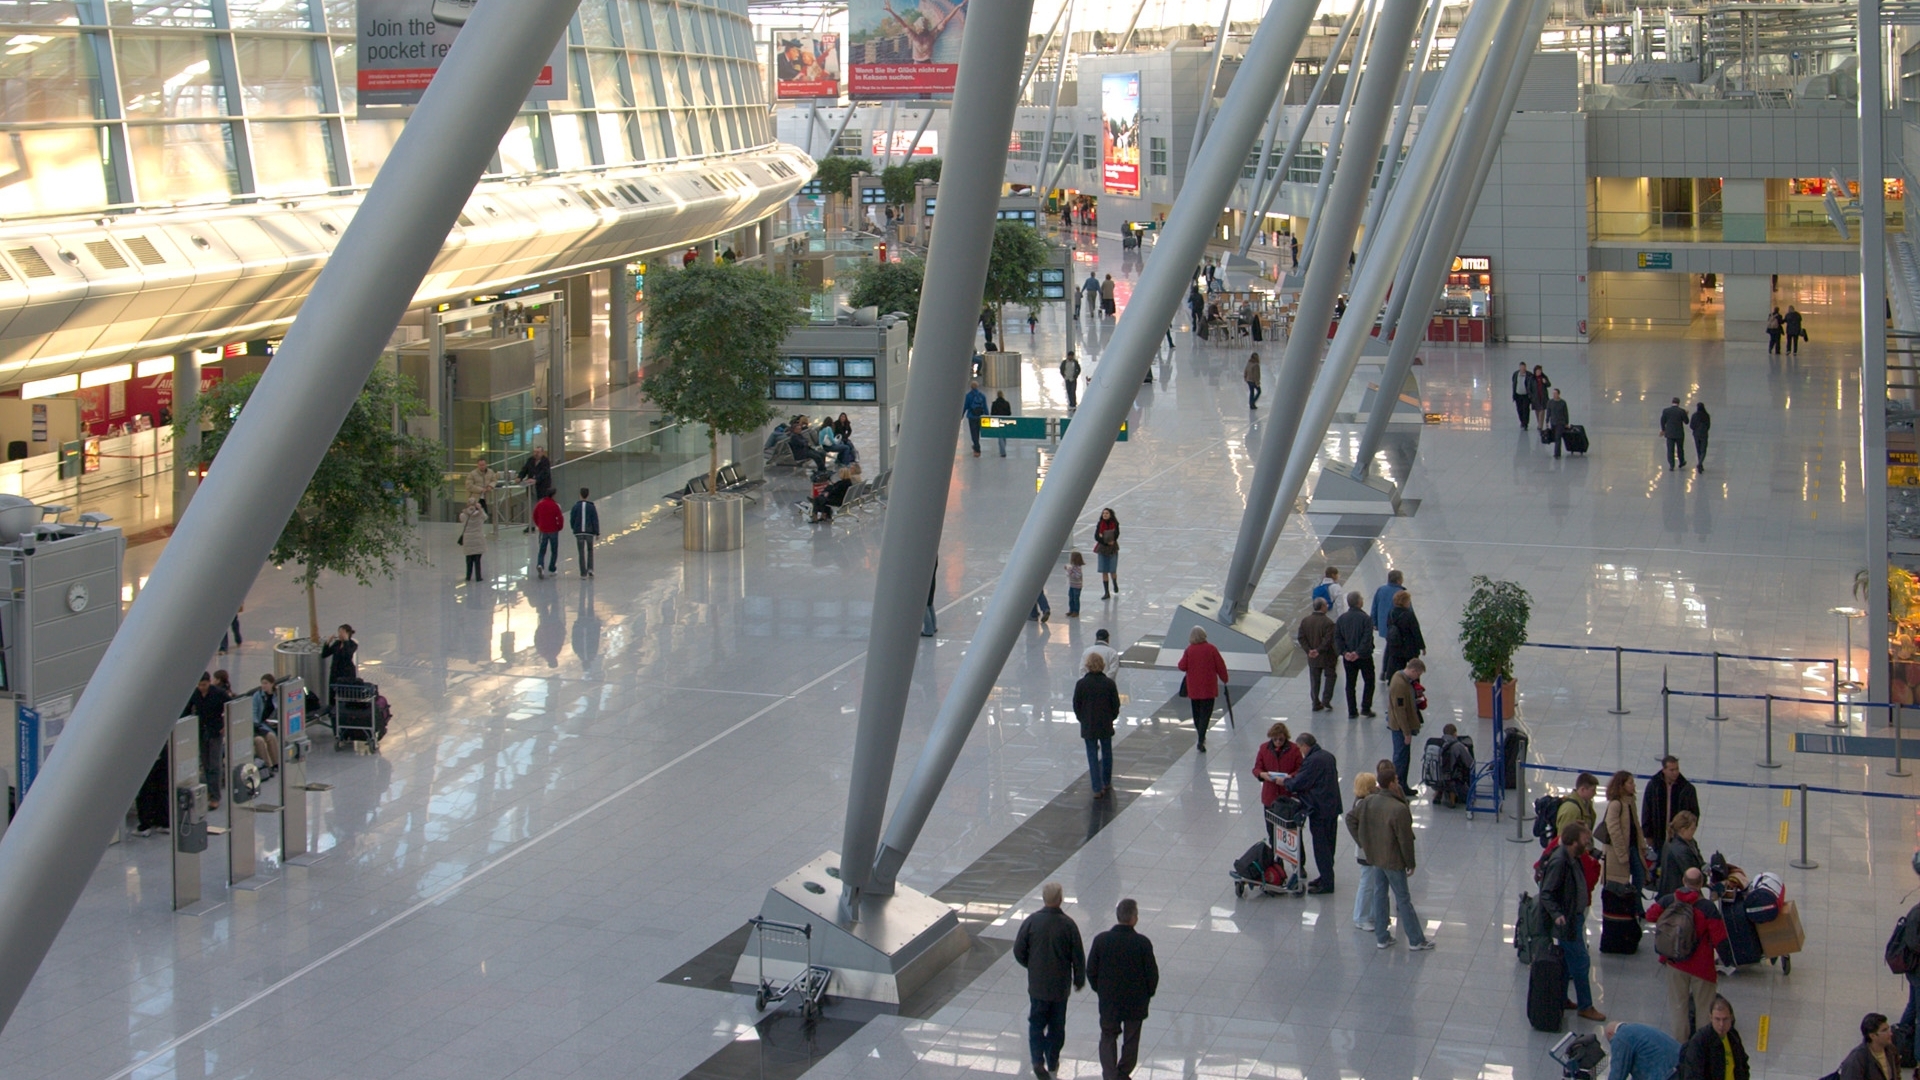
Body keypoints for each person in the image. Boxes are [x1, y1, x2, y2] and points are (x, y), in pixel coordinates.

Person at [1348, 761, 1435, 951]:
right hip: (1393, 860)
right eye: (1396, 780)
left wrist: (1364, 842)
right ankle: (1416, 939)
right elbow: (1405, 840)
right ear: (1391, 783)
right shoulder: (1398, 809)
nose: (1398, 782)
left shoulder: (1369, 801)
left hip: (1376, 857)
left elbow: (1350, 819)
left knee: (1380, 894)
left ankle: (1382, 936)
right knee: (1403, 899)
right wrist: (1410, 863)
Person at [1013, 882, 1085, 1080]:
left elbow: (1018, 950)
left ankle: (1037, 1061)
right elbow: (1078, 956)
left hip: (1037, 986)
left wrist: (1032, 965)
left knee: (1036, 1023)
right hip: (1060, 988)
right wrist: (1079, 979)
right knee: (1056, 1026)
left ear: (1044, 899)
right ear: (1060, 899)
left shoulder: (1031, 922)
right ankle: (1052, 1061)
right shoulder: (1068, 925)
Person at [1646, 867, 1727, 1041]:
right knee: (1705, 1009)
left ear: (1683, 881)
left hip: (1675, 963)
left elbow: (1650, 915)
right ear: (1701, 884)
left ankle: (1681, 1047)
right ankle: (1702, 1047)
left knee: (1678, 1007)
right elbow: (1720, 938)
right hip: (1703, 967)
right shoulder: (1707, 908)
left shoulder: (1669, 900)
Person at [1087, 898, 1158, 1080]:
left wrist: (1100, 990)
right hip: (1136, 1002)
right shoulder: (1142, 943)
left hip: (1109, 1000)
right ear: (1134, 918)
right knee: (1131, 1039)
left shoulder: (1101, 940)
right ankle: (1123, 1073)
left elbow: (1091, 971)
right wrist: (1147, 994)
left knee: (1108, 1035)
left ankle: (1110, 1075)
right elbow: (1152, 975)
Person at [1541, 820, 1605, 1021]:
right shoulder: (1560, 861)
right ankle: (1585, 1005)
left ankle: (1562, 998)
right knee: (1581, 961)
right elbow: (1547, 893)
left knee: (1568, 963)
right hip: (1567, 921)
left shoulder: (1572, 857)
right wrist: (1557, 914)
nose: (1587, 845)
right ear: (1573, 841)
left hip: (1573, 917)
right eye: (1585, 841)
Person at [1290, 733, 1341, 894]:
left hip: (1320, 810)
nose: (1300, 752)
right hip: (1332, 807)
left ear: (1305, 745)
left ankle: (1327, 883)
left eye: (1300, 748)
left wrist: (1286, 782)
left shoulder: (1312, 761)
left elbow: (1300, 782)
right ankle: (1326, 876)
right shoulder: (1328, 756)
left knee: (1321, 847)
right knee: (1329, 844)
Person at [1075, 655, 1120, 799]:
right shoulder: (1109, 683)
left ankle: (1096, 787)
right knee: (1107, 752)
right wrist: (1111, 717)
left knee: (1092, 755)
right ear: (1102, 665)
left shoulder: (1081, 684)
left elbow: (1077, 705)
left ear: (1087, 665)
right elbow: (1115, 705)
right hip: (1105, 723)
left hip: (1089, 724)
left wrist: (1082, 719)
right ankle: (1106, 781)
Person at [1176, 627, 1228, 752]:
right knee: (1206, 714)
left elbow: (1182, 666)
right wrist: (1224, 679)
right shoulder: (1211, 649)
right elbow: (1220, 666)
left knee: (1197, 714)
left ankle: (1200, 735)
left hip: (1194, 688)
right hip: (1208, 688)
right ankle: (1201, 738)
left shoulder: (1189, 650)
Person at [183, 672, 230, 811]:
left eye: (203, 685)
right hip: (201, 731)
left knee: (214, 765)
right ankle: (209, 792)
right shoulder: (195, 694)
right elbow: (186, 711)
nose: (201, 688)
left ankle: (215, 796)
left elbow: (232, 705)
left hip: (215, 731)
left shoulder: (219, 693)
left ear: (209, 682)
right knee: (206, 764)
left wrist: (225, 724)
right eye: (199, 685)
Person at [1677, 996, 1750, 1080]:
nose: (1721, 1024)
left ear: (1731, 1018)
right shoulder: (1700, 1041)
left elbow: (1743, 1064)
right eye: (1717, 1019)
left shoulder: (1733, 1036)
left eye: (1725, 1019)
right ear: (1711, 1018)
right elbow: (1693, 1075)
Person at [1603, 770, 1650, 895]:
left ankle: (1636, 905)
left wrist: (1642, 844)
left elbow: (1636, 825)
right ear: (1621, 785)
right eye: (1630, 783)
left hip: (1633, 847)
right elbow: (1614, 831)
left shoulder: (1630, 802)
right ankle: (1635, 907)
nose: (1634, 785)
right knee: (1621, 882)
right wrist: (1622, 854)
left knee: (1640, 876)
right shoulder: (1616, 804)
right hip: (1620, 851)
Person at [1643, 755, 1701, 853]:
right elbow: (1647, 810)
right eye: (1672, 770)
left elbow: (1694, 813)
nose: (1675, 772)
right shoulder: (1654, 786)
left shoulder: (1687, 789)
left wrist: (1688, 831)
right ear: (1664, 770)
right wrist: (1648, 834)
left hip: (1679, 838)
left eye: (1677, 769)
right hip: (1659, 836)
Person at [1253, 721, 1303, 829]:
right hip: (1270, 796)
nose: (1278, 742)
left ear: (1286, 737)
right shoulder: (1264, 748)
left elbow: (1301, 769)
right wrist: (1262, 774)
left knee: (1290, 831)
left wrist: (1290, 777)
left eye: (1281, 739)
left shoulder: (1294, 749)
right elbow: (1256, 768)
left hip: (1288, 797)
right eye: (1275, 739)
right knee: (1271, 831)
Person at [1335, 590, 1377, 719]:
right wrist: (1358, 652)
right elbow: (1366, 638)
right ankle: (1366, 707)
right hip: (1364, 656)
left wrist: (1345, 652)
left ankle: (1352, 711)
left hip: (1348, 658)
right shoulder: (1366, 619)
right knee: (1369, 681)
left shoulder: (1341, 619)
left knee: (1350, 683)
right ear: (1359, 602)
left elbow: (1338, 638)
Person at [1385, 658, 1426, 787]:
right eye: (1418, 674)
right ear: (1413, 670)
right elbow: (1400, 711)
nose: (1417, 677)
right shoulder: (1400, 684)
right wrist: (1406, 733)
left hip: (1402, 726)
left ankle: (1403, 785)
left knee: (1405, 758)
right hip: (1400, 728)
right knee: (1400, 758)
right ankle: (1395, 786)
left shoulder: (1402, 679)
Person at [1348, 772, 1380, 929]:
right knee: (1367, 884)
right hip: (1366, 852)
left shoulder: (1362, 802)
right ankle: (1361, 917)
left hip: (1368, 850)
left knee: (1371, 883)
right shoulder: (1362, 805)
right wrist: (1363, 843)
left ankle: (1372, 914)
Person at [1297, 598, 1338, 712]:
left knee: (1314, 679)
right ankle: (1326, 699)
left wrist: (1309, 650)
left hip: (1312, 658)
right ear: (1322, 607)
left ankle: (1315, 702)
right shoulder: (1328, 623)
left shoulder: (1305, 621)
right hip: (1327, 657)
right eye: (1325, 605)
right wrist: (1318, 650)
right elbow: (1328, 640)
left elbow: (1301, 637)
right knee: (1330, 676)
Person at [1605, 1022, 1684, 1080]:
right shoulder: (1635, 1029)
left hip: (1667, 1073)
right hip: (1681, 1063)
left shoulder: (1619, 1038)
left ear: (1610, 1033)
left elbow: (1617, 1074)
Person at [1655, 810, 1705, 897]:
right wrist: (1705, 877)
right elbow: (1692, 876)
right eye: (1692, 829)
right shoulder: (1681, 850)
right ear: (1683, 830)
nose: (1694, 831)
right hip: (1678, 894)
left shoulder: (1675, 841)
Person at [1838, 1013, 1900, 1080]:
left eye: (1889, 1029)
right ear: (1872, 1036)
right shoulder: (1857, 1058)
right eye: (1884, 1030)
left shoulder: (1892, 1050)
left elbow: (1897, 1075)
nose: (1890, 1033)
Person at [1382, 589, 1425, 679]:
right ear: (1405, 602)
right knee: (1413, 670)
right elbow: (1416, 632)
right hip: (1409, 648)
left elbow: (1388, 627)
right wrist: (1422, 646)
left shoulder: (1391, 613)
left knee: (1398, 671)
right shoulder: (1409, 615)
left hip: (1395, 647)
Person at [247, 673, 281, 774]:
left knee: (271, 737)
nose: (263, 686)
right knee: (262, 739)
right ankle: (267, 765)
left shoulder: (277, 695)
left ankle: (276, 763)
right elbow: (254, 711)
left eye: (266, 683)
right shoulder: (258, 696)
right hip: (260, 724)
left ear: (272, 684)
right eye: (262, 683)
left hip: (273, 722)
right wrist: (256, 724)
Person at [1559, 772, 1600, 841]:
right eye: (1593, 790)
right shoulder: (1571, 809)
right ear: (1583, 789)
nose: (1595, 793)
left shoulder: (1586, 804)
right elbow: (1564, 839)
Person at [568, 488, 599, 577]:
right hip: (589, 532)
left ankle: (583, 573)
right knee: (590, 550)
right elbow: (595, 520)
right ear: (588, 495)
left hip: (579, 533)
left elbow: (572, 519)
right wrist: (597, 532)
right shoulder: (591, 506)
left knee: (581, 552)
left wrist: (574, 528)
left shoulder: (575, 506)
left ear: (580, 495)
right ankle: (590, 569)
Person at [532, 491, 563, 578]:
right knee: (554, 550)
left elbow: (534, 515)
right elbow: (560, 518)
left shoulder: (540, 504)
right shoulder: (555, 505)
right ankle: (552, 568)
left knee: (542, 550)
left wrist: (539, 524)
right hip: (553, 530)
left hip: (543, 530)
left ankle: (540, 564)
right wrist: (559, 527)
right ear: (553, 495)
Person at [459, 497, 488, 582]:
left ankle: (468, 576)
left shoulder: (463, 515)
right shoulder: (480, 516)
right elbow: (485, 517)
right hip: (478, 538)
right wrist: (480, 509)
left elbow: (461, 519)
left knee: (468, 559)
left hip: (468, 539)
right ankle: (478, 577)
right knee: (477, 560)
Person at [1093, 508, 1120, 597]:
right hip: (1102, 549)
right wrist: (1106, 540)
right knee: (1104, 570)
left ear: (1110, 514)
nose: (1105, 515)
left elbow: (1116, 534)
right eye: (1103, 513)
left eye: (1107, 513)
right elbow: (1097, 536)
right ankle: (1106, 592)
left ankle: (1115, 584)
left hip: (1112, 549)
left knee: (1112, 570)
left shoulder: (1115, 524)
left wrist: (1106, 537)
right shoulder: (1100, 524)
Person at [1371, 569, 1405, 637]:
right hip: (1398, 628)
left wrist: (1374, 623)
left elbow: (1374, 607)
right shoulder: (1401, 593)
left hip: (1383, 625)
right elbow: (1409, 610)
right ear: (1398, 581)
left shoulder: (1381, 590)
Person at [1660, 397, 1690, 471]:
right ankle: (1681, 462)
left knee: (1670, 449)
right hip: (1679, 433)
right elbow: (1686, 422)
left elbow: (1662, 421)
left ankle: (1671, 465)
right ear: (1679, 403)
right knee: (1680, 449)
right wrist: (1686, 414)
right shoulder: (1681, 411)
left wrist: (1663, 430)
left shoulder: (1666, 411)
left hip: (1669, 433)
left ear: (1672, 402)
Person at [963, 382, 988, 457]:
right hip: (980, 416)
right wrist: (987, 415)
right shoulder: (982, 396)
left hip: (972, 417)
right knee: (977, 432)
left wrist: (962, 415)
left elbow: (965, 406)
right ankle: (976, 445)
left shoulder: (968, 396)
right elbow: (985, 407)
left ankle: (977, 449)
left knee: (973, 433)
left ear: (971, 387)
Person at [1546, 388, 1571, 458]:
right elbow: (1548, 412)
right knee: (1555, 437)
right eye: (1553, 394)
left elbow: (1565, 413)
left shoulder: (1563, 403)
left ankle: (1557, 453)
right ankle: (1557, 452)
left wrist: (1566, 423)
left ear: (1558, 394)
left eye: (1555, 394)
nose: (1554, 395)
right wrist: (1547, 420)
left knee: (1558, 438)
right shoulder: (1550, 402)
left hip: (1560, 423)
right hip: (1553, 422)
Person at [1512, 361, 1535, 429]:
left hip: (1526, 396)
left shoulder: (1529, 375)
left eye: (1524, 367)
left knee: (1526, 409)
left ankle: (1525, 423)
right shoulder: (1516, 374)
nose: (1522, 369)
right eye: (1521, 367)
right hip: (1518, 395)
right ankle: (1522, 421)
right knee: (1519, 409)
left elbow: (1531, 385)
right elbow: (1514, 384)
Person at [991, 390, 1013, 457]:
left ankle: (1002, 451)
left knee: (1000, 436)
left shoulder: (994, 403)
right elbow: (1009, 413)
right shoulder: (1006, 403)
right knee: (1004, 436)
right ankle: (1003, 449)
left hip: (997, 421)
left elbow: (992, 413)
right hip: (1005, 421)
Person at [1690, 402, 1711, 473]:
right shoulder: (1706, 416)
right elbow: (1708, 426)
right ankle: (1700, 463)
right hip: (1704, 434)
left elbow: (1691, 426)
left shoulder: (1694, 415)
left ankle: (1700, 463)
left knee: (1698, 450)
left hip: (1696, 435)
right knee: (1703, 450)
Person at [1530, 365, 1552, 430]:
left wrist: (1545, 382)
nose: (1539, 372)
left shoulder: (1544, 377)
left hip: (1543, 397)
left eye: (1540, 371)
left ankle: (1540, 426)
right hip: (1535, 398)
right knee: (1537, 411)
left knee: (1542, 411)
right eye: (1538, 371)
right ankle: (1539, 423)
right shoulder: (1532, 379)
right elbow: (1529, 388)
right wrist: (1531, 396)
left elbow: (1549, 384)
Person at [1066, 551, 1084, 617]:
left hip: (1077, 586)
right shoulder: (1073, 566)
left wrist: (1070, 572)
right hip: (1072, 585)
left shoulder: (1078, 568)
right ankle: (1071, 610)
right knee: (1071, 598)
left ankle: (1076, 611)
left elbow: (1077, 576)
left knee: (1076, 599)